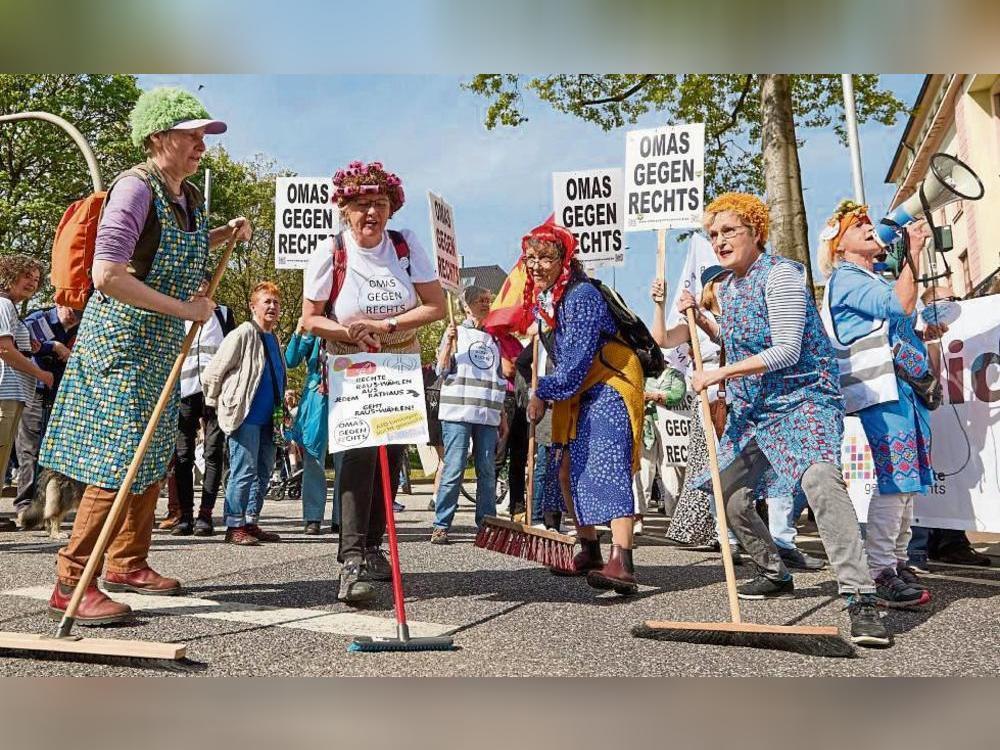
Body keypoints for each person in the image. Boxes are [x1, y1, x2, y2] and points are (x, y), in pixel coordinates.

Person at [41, 86, 249, 624]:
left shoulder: (188, 197)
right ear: (160, 137)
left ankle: (127, 561)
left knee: (153, 453)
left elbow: (176, 248)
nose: (203, 143)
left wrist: (226, 231)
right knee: (117, 459)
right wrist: (184, 308)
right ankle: (71, 580)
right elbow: (107, 274)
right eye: (192, 133)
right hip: (122, 347)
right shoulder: (135, 189)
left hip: (157, 350)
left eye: (205, 134)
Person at [684, 192, 889, 648]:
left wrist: (717, 373)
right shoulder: (731, 287)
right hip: (754, 411)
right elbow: (736, 337)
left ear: (756, 231)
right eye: (713, 234)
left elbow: (785, 350)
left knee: (819, 481)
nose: (719, 241)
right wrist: (700, 319)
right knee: (730, 496)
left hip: (802, 401)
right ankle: (773, 571)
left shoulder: (782, 276)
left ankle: (861, 598)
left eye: (729, 231)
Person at [301, 159, 446, 603]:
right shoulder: (330, 251)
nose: (372, 213)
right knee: (358, 459)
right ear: (345, 209)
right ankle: (351, 559)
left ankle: (374, 548)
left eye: (380, 204)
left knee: (391, 457)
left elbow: (435, 306)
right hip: (352, 366)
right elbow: (309, 321)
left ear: (391, 208)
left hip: (399, 364)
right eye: (362, 204)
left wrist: (384, 327)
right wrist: (349, 330)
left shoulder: (405, 245)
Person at [820, 199, 938, 606]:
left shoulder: (869, 273)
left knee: (911, 482)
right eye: (859, 227)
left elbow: (885, 237)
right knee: (897, 478)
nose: (871, 230)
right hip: (883, 391)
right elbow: (900, 305)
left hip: (904, 389)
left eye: (872, 226)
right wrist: (915, 253)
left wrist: (898, 227)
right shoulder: (849, 278)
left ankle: (899, 559)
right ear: (839, 245)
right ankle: (880, 570)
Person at [522, 220, 645, 594]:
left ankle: (622, 559)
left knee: (605, 464)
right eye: (531, 258)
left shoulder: (581, 297)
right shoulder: (548, 302)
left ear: (565, 259)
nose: (537, 265)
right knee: (565, 471)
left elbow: (574, 366)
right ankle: (589, 549)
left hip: (610, 381)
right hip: (578, 387)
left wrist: (542, 391)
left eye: (546, 257)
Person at [651, 269, 738, 556]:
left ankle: (751, 530)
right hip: (709, 401)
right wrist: (660, 305)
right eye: (721, 281)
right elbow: (662, 339)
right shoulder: (693, 319)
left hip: (743, 397)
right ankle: (724, 533)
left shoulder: (741, 315)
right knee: (714, 467)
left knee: (739, 468)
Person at [202, 282, 285, 546]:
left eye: (275, 302)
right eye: (266, 302)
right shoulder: (243, 333)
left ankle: (250, 521)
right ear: (253, 306)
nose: (272, 307)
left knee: (262, 471)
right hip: (246, 416)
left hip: (269, 418)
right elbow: (214, 372)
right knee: (243, 470)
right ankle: (234, 524)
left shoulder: (273, 337)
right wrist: (216, 404)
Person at [430, 285, 510, 544]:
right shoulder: (456, 333)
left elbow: (498, 378)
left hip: (487, 414)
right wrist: (448, 345)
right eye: (481, 300)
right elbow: (440, 370)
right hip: (458, 412)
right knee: (454, 468)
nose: (486, 304)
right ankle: (441, 524)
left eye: (488, 300)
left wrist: (502, 416)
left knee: (487, 470)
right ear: (467, 305)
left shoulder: (494, 338)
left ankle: (485, 524)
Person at [165, 278, 236, 536]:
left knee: (213, 452)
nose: (199, 286)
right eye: (194, 281)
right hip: (184, 391)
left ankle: (205, 515)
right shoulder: (176, 310)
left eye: (204, 281)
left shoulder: (223, 313)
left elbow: (232, 351)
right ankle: (184, 516)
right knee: (183, 455)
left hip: (214, 393)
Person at [12, 303, 79, 523]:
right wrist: (56, 346)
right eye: (72, 310)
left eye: (80, 313)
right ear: (61, 303)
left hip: (61, 395)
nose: (75, 316)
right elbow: (28, 345)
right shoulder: (38, 320)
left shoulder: (81, 327)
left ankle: (48, 508)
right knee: (29, 451)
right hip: (35, 391)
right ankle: (25, 506)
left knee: (52, 454)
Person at [0, 255, 50, 531]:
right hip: (5, 390)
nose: (32, 282)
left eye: (36, 278)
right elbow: (5, 350)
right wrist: (40, 374)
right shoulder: (4, 304)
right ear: (10, 275)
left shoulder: (11, 308)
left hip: (13, 392)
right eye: (26, 276)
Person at [285, 319, 332, 535]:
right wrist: (300, 331)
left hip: (349, 387)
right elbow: (291, 360)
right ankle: (313, 516)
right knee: (313, 456)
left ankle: (343, 517)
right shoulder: (315, 323)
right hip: (317, 393)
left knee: (349, 456)